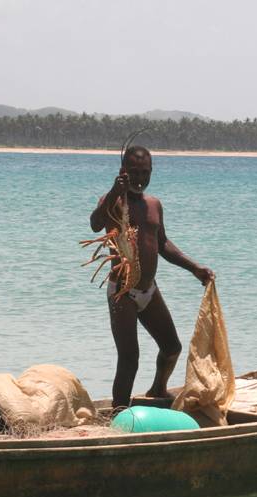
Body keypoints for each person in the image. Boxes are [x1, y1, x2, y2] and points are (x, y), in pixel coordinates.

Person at [89, 146, 214, 409]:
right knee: (129, 359)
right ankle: (118, 414)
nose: (139, 177)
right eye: (133, 172)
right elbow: (95, 224)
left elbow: (163, 243)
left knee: (172, 347)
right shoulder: (114, 203)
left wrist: (194, 268)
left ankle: (158, 388)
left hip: (149, 290)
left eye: (144, 172)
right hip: (123, 293)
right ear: (123, 171)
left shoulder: (154, 205)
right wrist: (115, 191)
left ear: (151, 172)